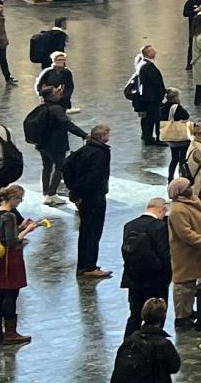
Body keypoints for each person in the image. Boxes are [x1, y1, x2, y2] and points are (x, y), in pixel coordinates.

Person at [0, 184, 39, 346]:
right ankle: (10, 333)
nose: (20, 202)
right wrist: (28, 230)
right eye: (19, 199)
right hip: (11, 258)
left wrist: (20, 227)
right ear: (13, 198)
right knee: (11, 293)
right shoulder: (9, 216)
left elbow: (4, 234)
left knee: (0, 293)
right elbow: (12, 241)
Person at [62, 124, 114, 279]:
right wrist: (82, 191)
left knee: (85, 232)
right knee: (93, 232)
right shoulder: (99, 153)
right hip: (94, 197)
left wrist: (74, 190)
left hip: (84, 197)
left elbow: (66, 166)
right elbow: (94, 177)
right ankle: (89, 266)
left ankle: (83, 265)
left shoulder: (83, 150)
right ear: (103, 136)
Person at [119, 197, 172, 336]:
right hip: (155, 280)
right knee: (157, 316)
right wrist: (167, 278)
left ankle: (129, 345)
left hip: (133, 278)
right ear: (162, 209)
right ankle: (155, 344)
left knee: (135, 315)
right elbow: (165, 255)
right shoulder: (159, 227)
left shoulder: (129, 225)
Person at [165, 178, 201, 329]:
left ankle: (188, 310)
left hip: (194, 252)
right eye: (187, 187)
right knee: (183, 285)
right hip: (185, 254)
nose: (190, 188)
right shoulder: (178, 210)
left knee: (191, 285)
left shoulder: (191, 201)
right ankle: (181, 316)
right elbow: (186, 234)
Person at [29, 83, 87, 206]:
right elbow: (67, 124)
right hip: (55, 144)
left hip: (42, 144)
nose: (59, 93)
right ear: (51, 96)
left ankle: (46, 193)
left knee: (47, 167)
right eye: (56, 92)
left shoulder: (42, 108)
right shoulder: (56, 109)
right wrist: (84, 135)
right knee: (61, 167)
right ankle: (52, 194)